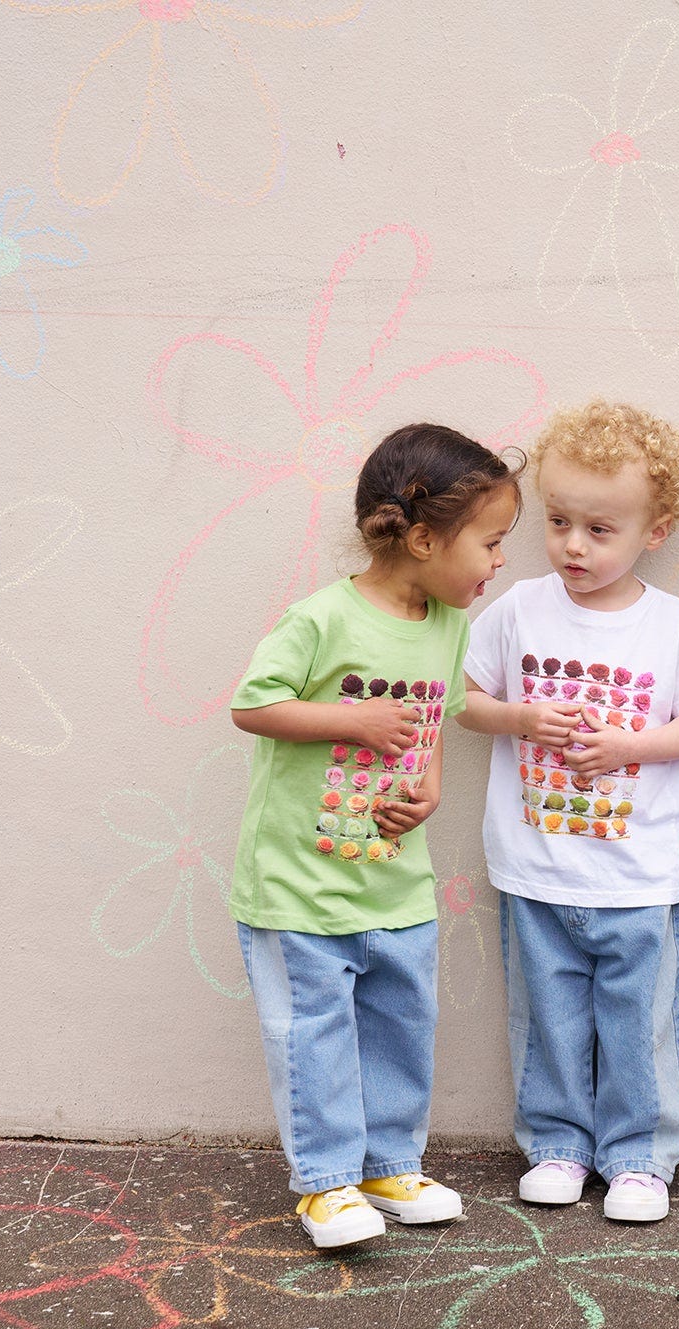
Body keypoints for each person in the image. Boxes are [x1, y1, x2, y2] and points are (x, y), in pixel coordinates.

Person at [228, 422, 520, 1248]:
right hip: (298, 883)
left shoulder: (448, 624)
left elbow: (430, 727)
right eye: (491, 543)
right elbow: (255, 705)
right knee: (313, 1030)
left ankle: (389, 1162)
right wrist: (351, 719)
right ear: (424, 537)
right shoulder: (321, 617)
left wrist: (425, 790)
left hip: (393, 879)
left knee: (401, 1019)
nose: (499, 561)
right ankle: (325, 1182)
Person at [460, 398, 679, 1223]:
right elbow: (466, 702)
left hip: (637, 874)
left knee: (640, 1020)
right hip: (536, 866)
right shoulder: (517, 610)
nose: (574, 544)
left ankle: (640, 1156)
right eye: (560, 521)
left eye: (600, 529)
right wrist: (521, 718)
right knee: (548, 1016)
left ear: (655, 529)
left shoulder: (668, 622)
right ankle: (558, 1143)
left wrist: (627, 748)